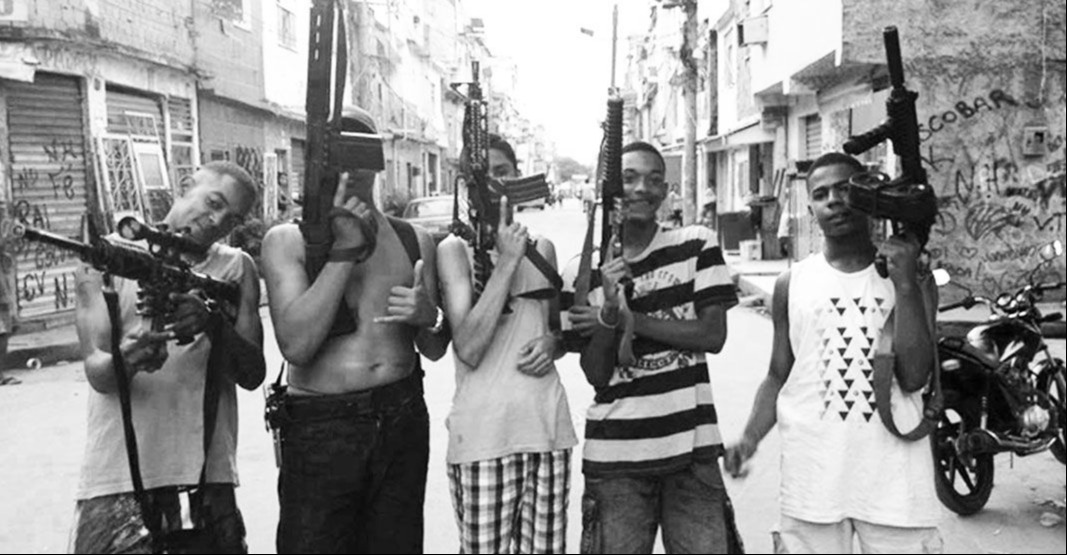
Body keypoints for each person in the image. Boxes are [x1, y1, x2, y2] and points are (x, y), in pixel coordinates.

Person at [724, 152, 941, 554]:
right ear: (810, 209)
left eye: (844, 189)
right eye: (821, 194)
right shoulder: (792, 283)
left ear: (868, 197)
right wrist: (749, 438)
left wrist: (906, 284)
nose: (834, 201)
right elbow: (778, 375)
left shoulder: (910, 276)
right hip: (813, 476)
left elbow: (914, 377)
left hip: (895, 481)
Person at [261, 108, 449, 554]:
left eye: (363, 150)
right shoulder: (290, 240)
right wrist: (343, 253)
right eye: (338, 152)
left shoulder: (413, 239)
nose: (351, 168)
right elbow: (297, 346)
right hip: (322, 424)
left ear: (377, 160)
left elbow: (434, 348)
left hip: (402, 413)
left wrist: (430, 317)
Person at [70, 161, 266, 553]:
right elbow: (99, 373)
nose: (216, 221)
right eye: (214, 203)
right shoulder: (107, 258)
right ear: (184, 185)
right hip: (118, 476)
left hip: (206, 482)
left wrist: (213, 323)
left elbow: (252, 373)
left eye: (231, 218)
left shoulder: (235, 268)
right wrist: (129, 358)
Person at [561, 141, 740, 554]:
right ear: (608, 189)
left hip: (692, 453)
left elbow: (712, 335)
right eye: (629, 178)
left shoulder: (696, 245)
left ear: (664, 191)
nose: (642, 188)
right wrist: (609, 310)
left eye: (654, 179)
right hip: (616, 460)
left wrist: (633, 321)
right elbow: (596, 374)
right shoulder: (581, 271)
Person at [437, 135, 577, 553]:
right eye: (482, 177)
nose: (494, 184)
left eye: (503, 172)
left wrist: (553, 343)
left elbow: (556, 332)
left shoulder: (543, 248)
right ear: (466, 185)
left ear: (518, 177)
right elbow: (468, 347)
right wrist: (508, 260)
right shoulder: (454, 251)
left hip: (547, 429)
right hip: (482, 438)